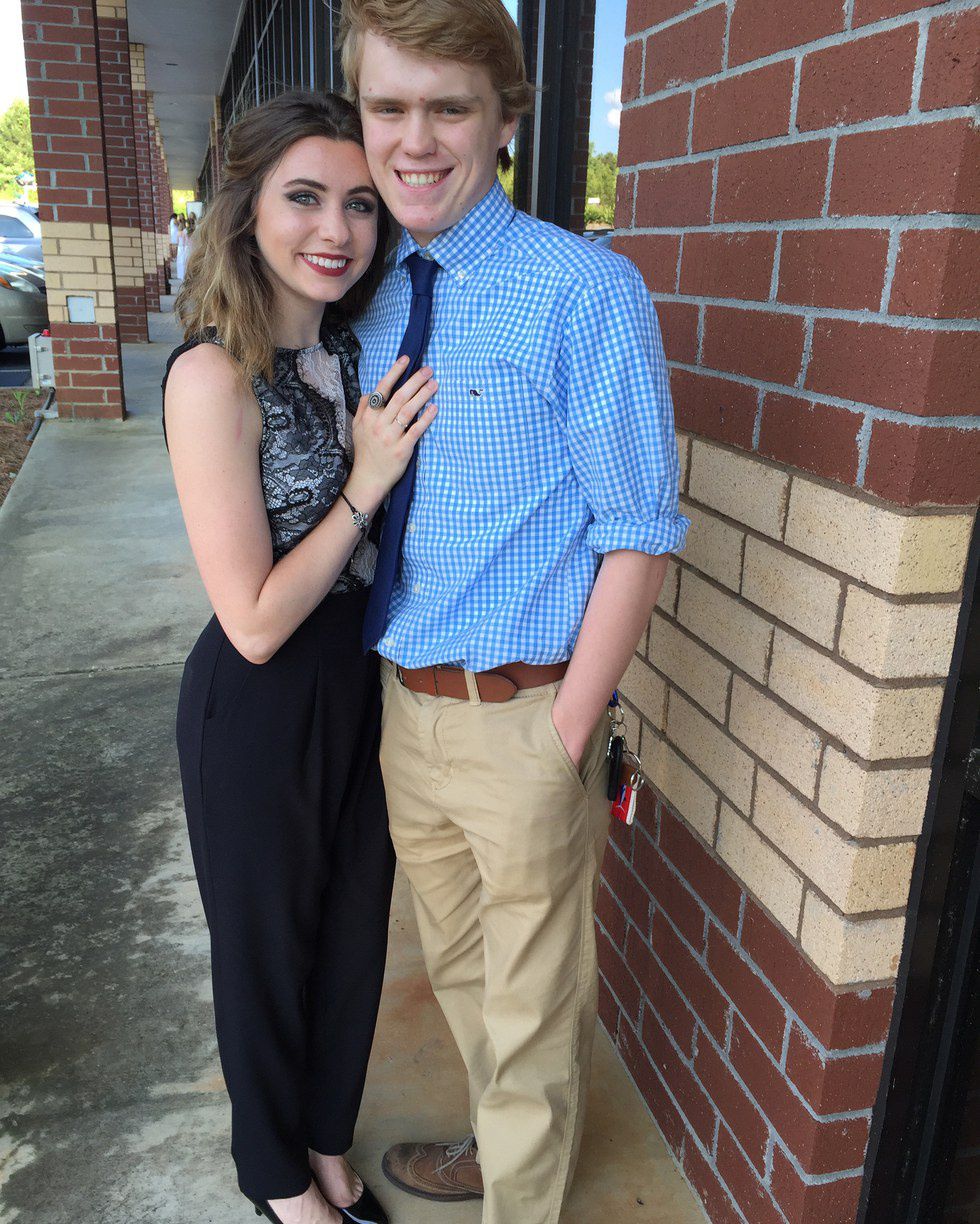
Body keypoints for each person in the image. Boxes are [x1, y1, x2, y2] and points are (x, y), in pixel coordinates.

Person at [339, 2, 689, 1221]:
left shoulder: (580, 290)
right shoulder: (369, 294)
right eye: (388, 107)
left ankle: (520, 1205)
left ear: (504, 120)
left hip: (524, 716)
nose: (414, 140)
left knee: (534, 1005)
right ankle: (503, 1158)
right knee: (461, 973)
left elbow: (638, 528)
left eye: (448, 108)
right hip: (407, 708)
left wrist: (565, 731)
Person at [163, 89, 438, 1224]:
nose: (337, 229)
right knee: (268, 950)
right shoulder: (212, 375)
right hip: (262, 701)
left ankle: (326, 1141)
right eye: (306, 198)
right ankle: (278, 1183)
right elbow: (254, 619)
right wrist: (365, 485)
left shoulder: (352, 352)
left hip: (361, 680)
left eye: (361, 205)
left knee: (353, 935)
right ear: (246, 209)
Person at [174, 214, 189, 282]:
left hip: (179, 248)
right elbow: (185, 240)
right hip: (184, 247)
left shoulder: (178, 233)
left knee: (180, 261)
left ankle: (180, 275)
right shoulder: (185, 232)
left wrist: (178, 246)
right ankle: (184, 274)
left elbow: (177, 241)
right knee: (184, 260)